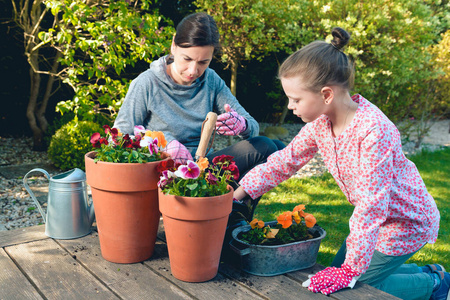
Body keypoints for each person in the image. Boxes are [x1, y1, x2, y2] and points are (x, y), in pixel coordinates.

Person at [232, 27, 447, 300]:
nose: (290, 106)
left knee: (352, 291)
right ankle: (431, 272)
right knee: (333, 276)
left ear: (326, 94)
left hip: (406, 223)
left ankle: (436, 286)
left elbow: (371, 205)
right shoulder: (320, 124)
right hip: (375, 221)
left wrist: (351, 270)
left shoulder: (374, 131)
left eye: (296, 99)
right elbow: (284, 161)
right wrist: (238, 194)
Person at [113, 12, 284, 235]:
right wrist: (162, 145)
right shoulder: (147, 83)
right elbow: (120, 135)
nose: (194, 71)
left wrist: (241, 125)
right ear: (174, 46)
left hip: (202, 167)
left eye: (203, 62)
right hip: (167, 175)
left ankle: (231, 219)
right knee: (272, 148)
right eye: (187, 59)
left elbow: (252, 127)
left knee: (274, 149)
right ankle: (230, 222)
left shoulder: (211, 80)